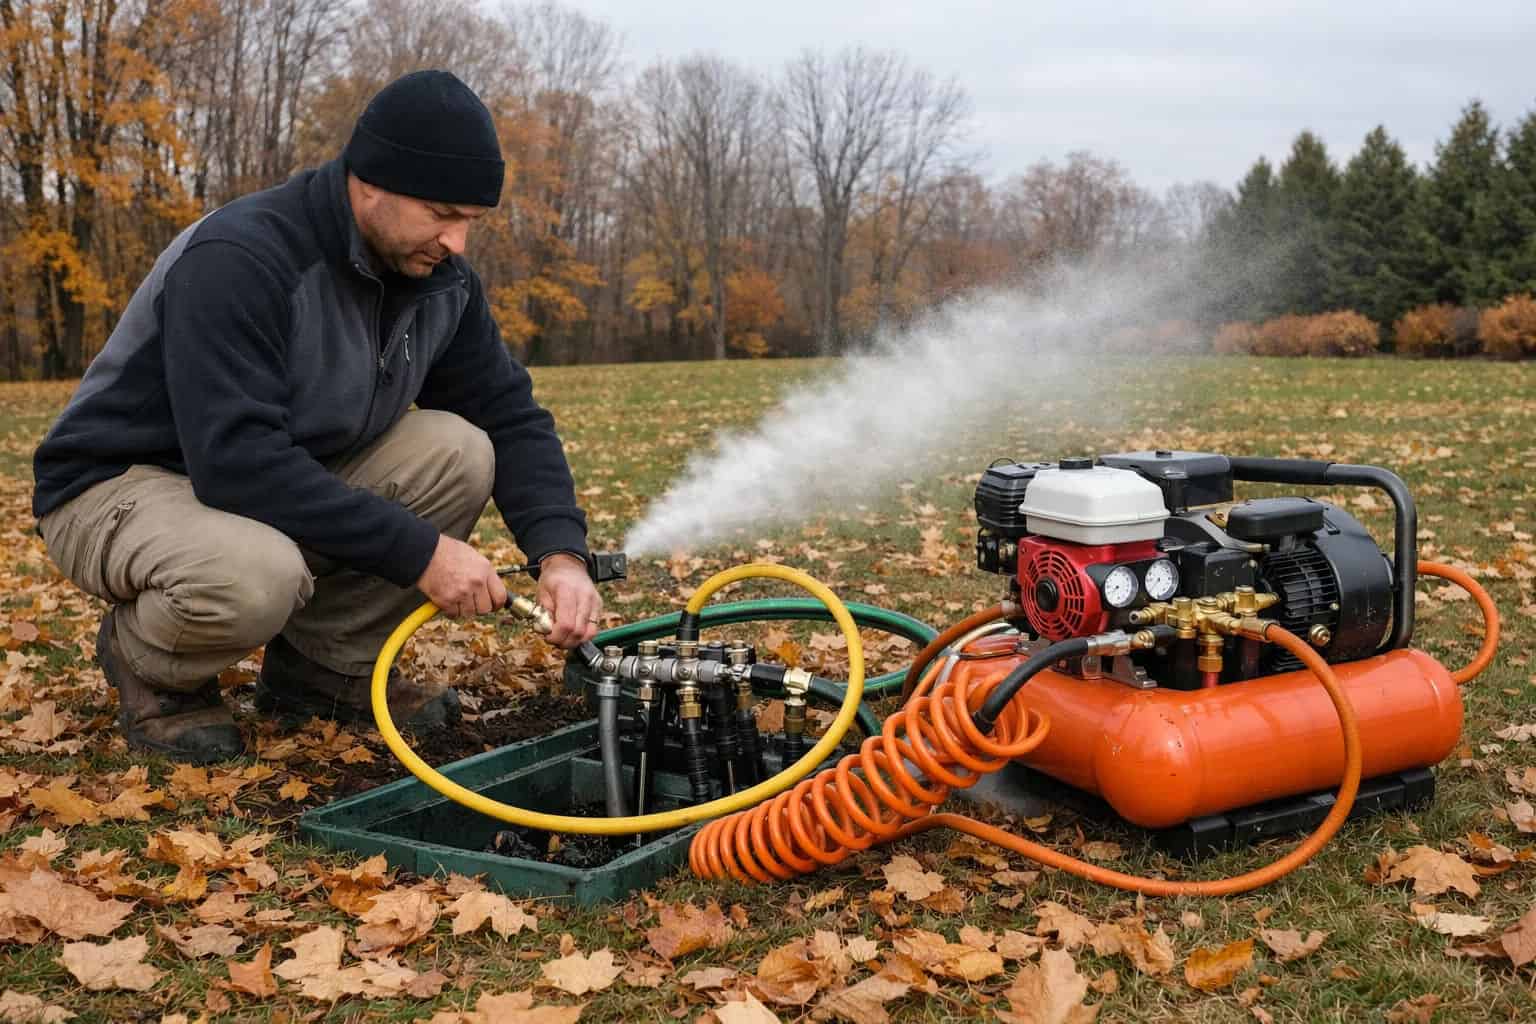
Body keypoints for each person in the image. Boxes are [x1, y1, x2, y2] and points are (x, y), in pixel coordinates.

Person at [30, 70, 602, 764]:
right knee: (256, 573)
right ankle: (149, 664)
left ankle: (324, 667)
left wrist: (562, 556)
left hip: (263, 476)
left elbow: (508, 414)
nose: (457, 243)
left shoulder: (440, 280)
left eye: (471, 223)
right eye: (442, 215)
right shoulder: (243, 256)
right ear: (370, 184)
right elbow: (236, 458)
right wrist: (421, 552)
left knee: (462, 448)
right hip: (121, 482)